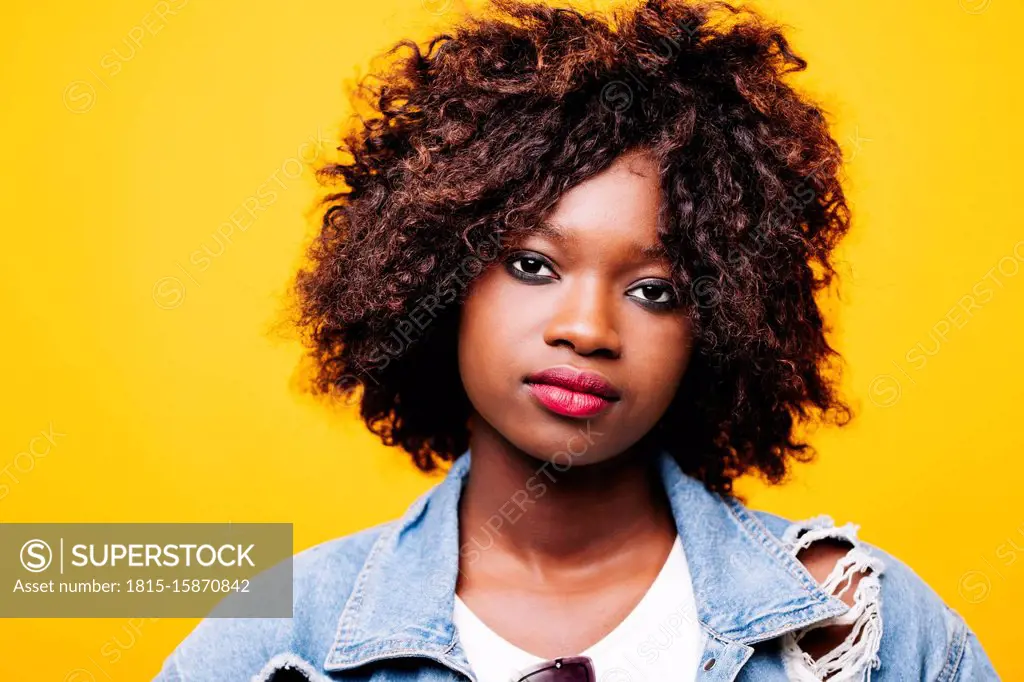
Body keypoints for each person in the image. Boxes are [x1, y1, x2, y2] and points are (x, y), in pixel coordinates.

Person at [154, 0, 999, 679]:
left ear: (722, 321)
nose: (588, 329)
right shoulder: (275, 643)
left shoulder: (865, 633)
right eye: (530, 265)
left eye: (654, 290)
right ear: (435, 276)